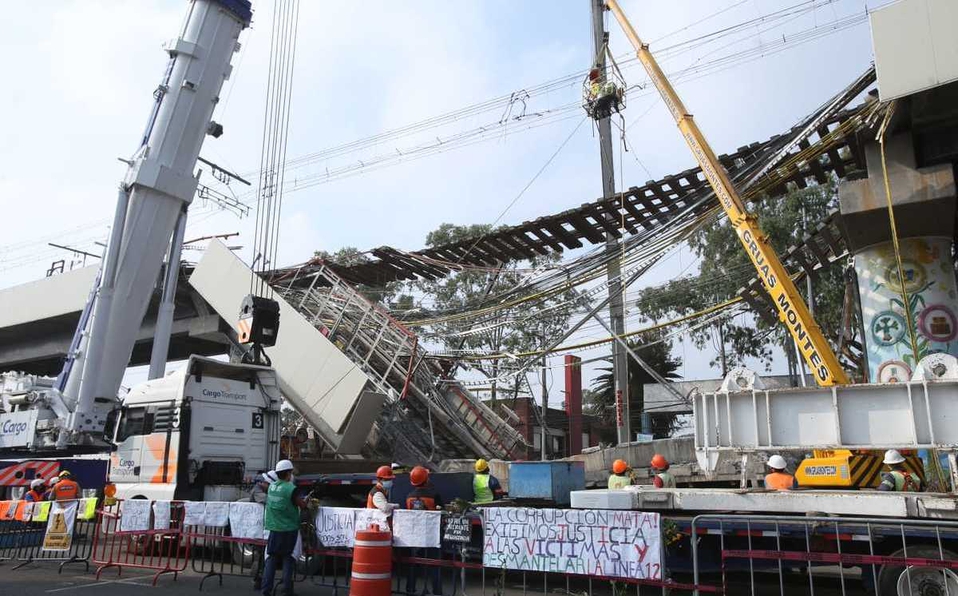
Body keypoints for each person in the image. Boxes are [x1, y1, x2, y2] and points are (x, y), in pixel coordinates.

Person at [262, 459, 305, 596]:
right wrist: (307, 503)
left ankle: (266, 590)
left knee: (271, 559)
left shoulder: (272, 487)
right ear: (288, 473)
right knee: (288, 559)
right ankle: (287, 590)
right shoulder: (291, 489)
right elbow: (301, 504)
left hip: (274, 528)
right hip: (288, 529)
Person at [404, 466, 443, 596]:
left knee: (413, 563)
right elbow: (441, 511)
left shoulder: (409, 497)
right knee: (434, 563)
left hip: (415, 535)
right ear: (426, 480)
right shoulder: (434, 495)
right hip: (432, 534)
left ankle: (410, 589)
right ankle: (437, 591)